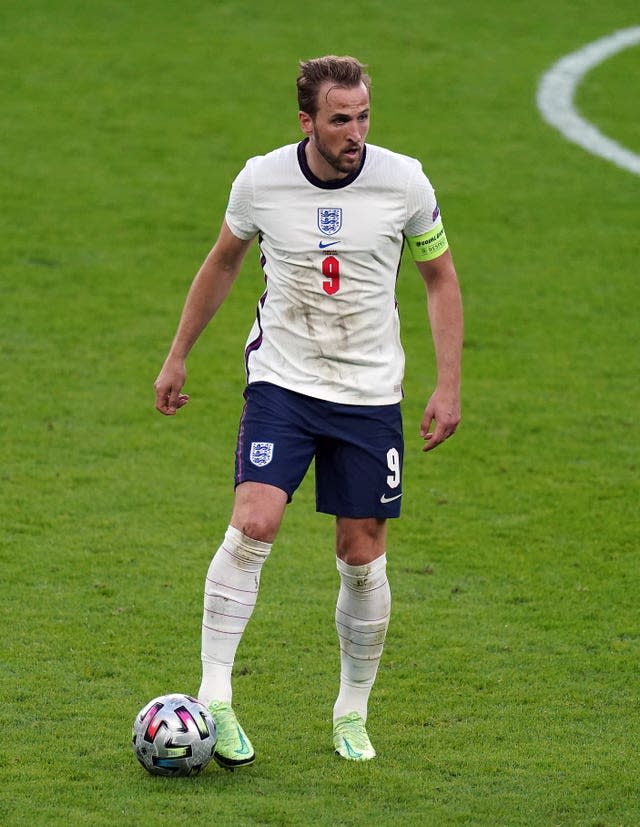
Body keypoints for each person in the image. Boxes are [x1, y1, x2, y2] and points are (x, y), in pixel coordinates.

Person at [154, 55, 463, 766]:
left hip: (368, 395)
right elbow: (224, 261)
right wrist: (178, 353)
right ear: (307, 121)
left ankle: (351, 712)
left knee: (360, 555)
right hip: (283, 383)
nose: (355, 131)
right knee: (254, 520)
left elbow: (440, 279)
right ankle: (216, 696)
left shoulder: (404, 182)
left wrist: (448, 384)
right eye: (339, 119)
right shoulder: (261, 180)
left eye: (362, 116)